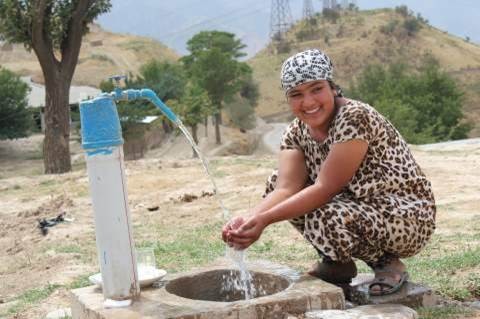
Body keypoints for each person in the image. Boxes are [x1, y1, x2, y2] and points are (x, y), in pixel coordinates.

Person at [221, 48, 436, 296]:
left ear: (332, 87)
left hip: (405, 214)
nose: (309, 102)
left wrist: (265, 220)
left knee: (326, 209)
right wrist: (248, 220)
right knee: (277, 183)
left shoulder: (354, 117)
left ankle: (387, 264)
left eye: (316, 89)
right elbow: (285, 188)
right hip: (358, 208)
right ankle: (337, 264)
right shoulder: (296, 132)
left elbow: (326, 188)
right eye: (296, 94)